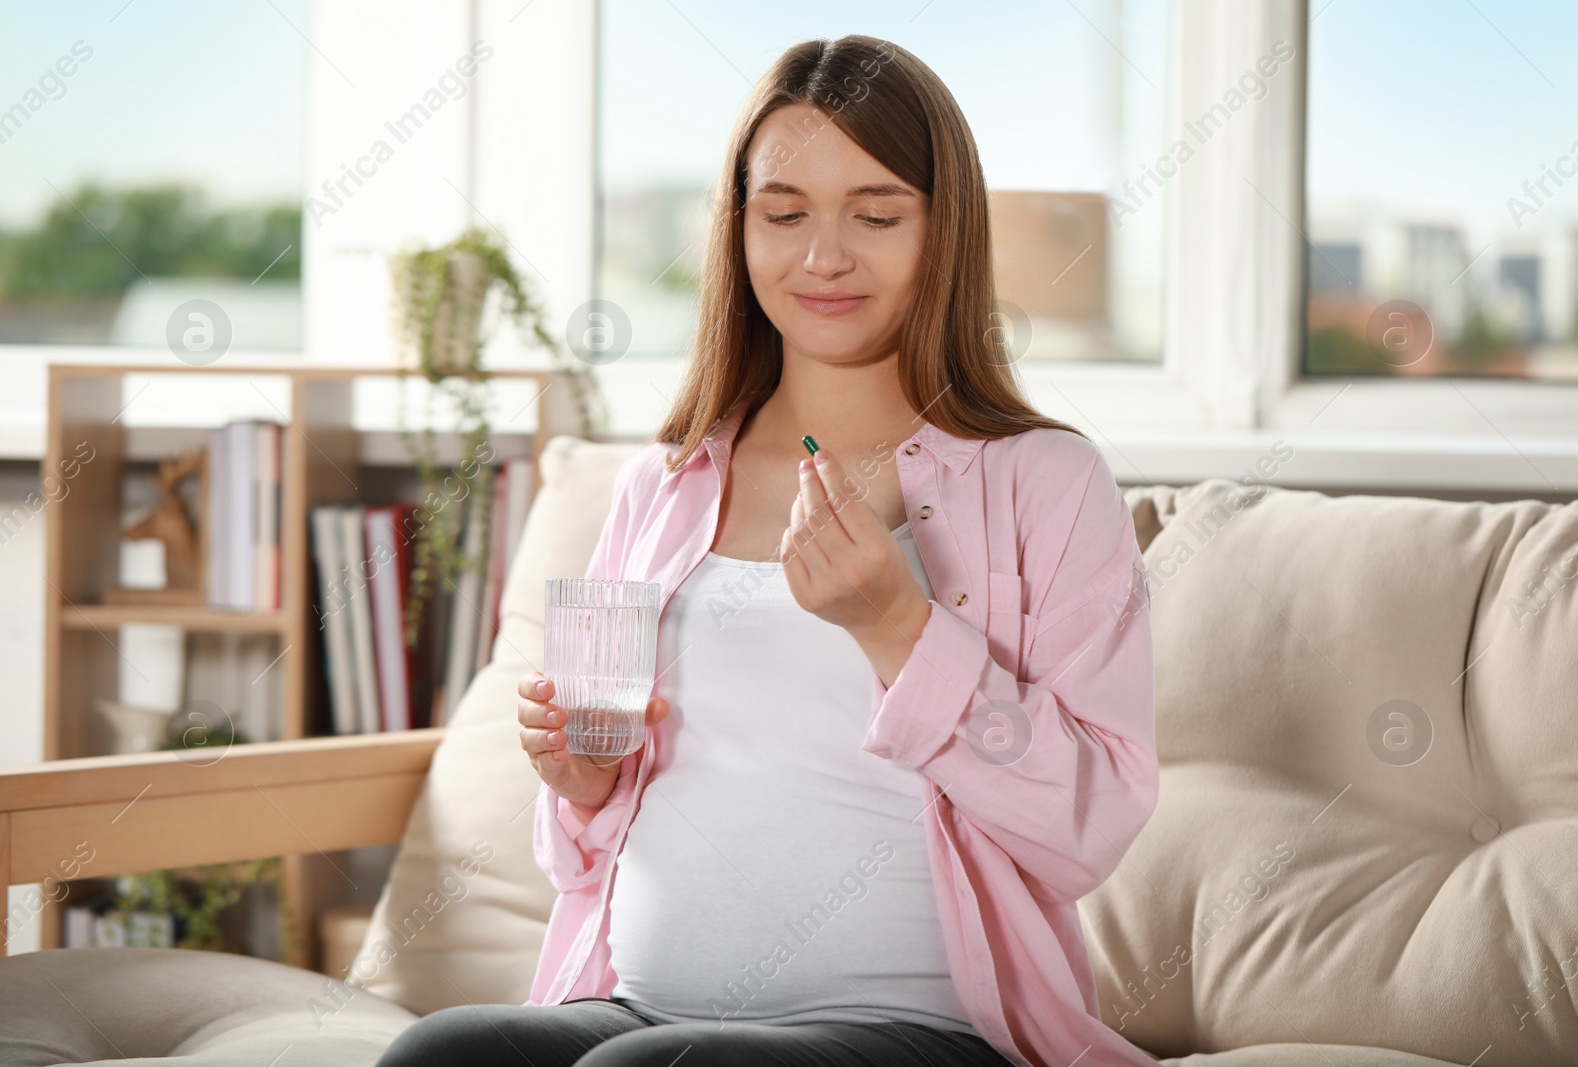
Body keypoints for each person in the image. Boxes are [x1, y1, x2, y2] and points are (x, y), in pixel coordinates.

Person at [378, 33, 1158, 1067]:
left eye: (875, 216)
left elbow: (1088, 825)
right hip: (640, 1006)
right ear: (737, 233)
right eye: (783, 215)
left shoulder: (1043, 479)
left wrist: (898, 628)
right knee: (437, 1054)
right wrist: (584, 781)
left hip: (926, 1028)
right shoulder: (660, 484)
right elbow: (586, 840)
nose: (822, 256)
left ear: (944, 232)